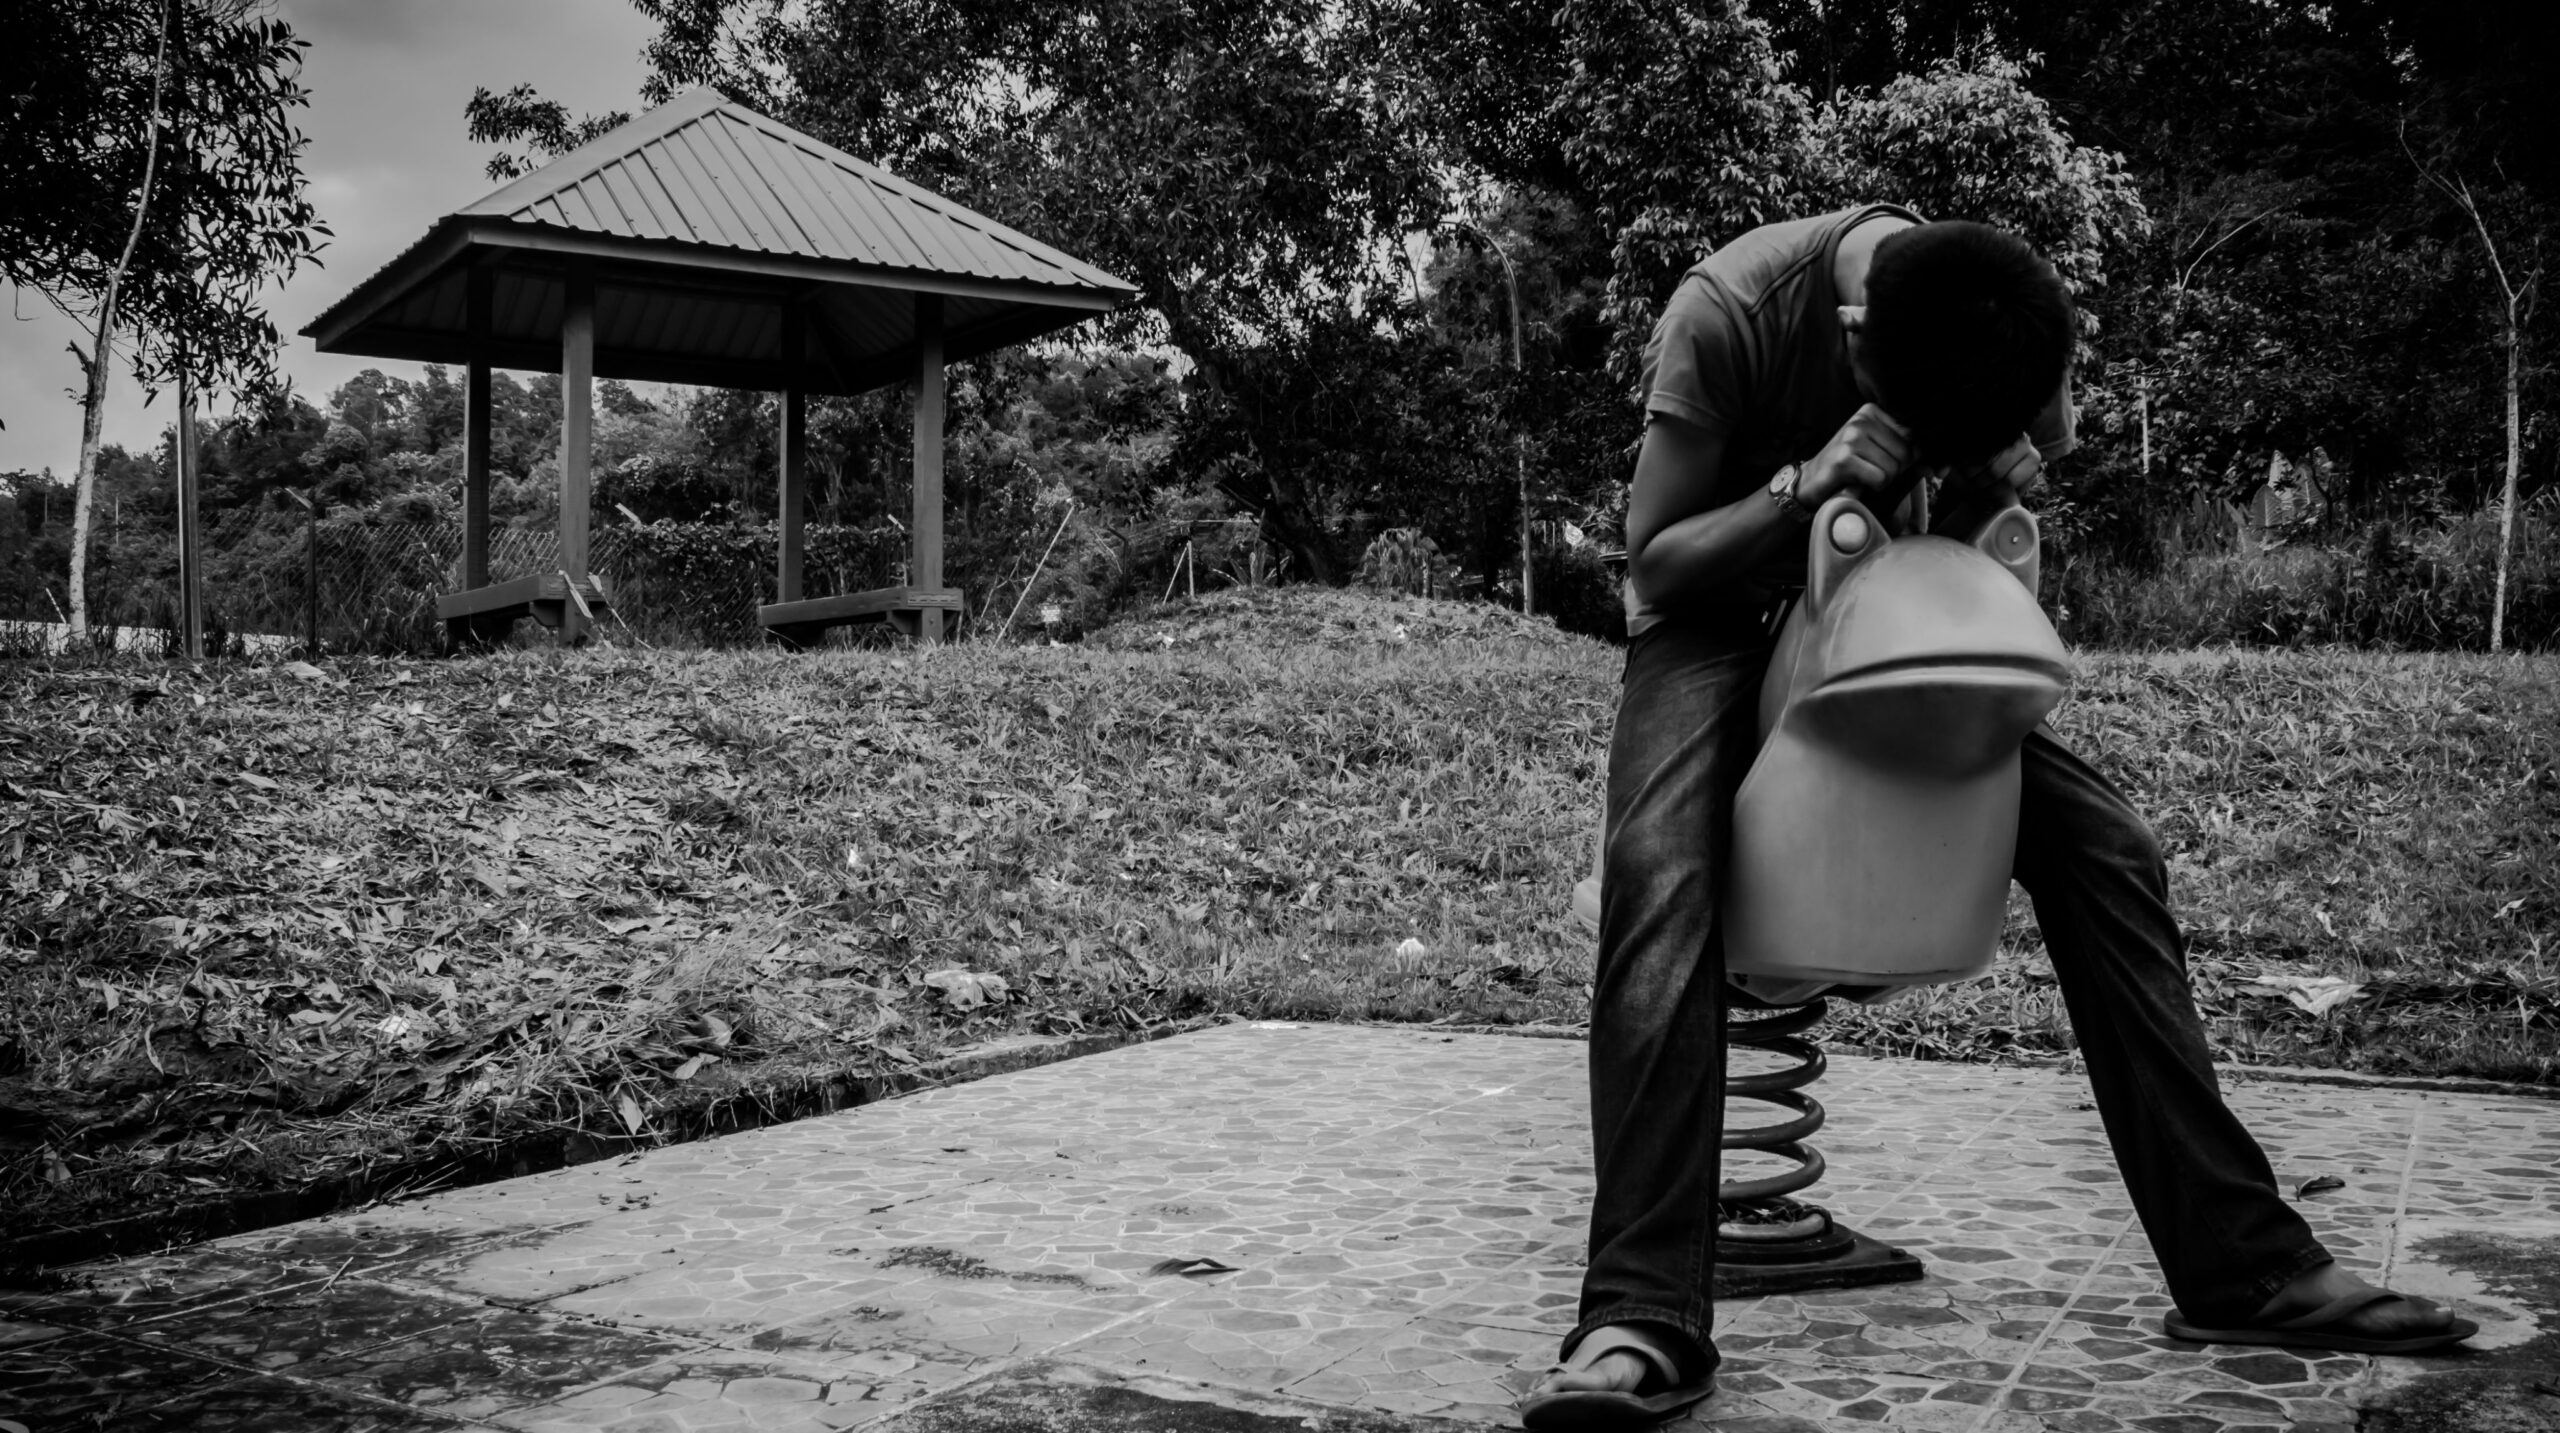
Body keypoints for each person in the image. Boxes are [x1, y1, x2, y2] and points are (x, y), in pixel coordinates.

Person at [1516, 206, 2476, 1433]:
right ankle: (1641, 1313)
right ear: (1853, 342)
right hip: (1712, 618)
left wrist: (1980, 500)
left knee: (2109, 845)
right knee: (1658, 867)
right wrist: (1802, 486)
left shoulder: (2008, 327)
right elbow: (1651, 561)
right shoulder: (1728, 313)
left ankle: (2245, 1264)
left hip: (1884, 619)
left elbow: (1986, 545)